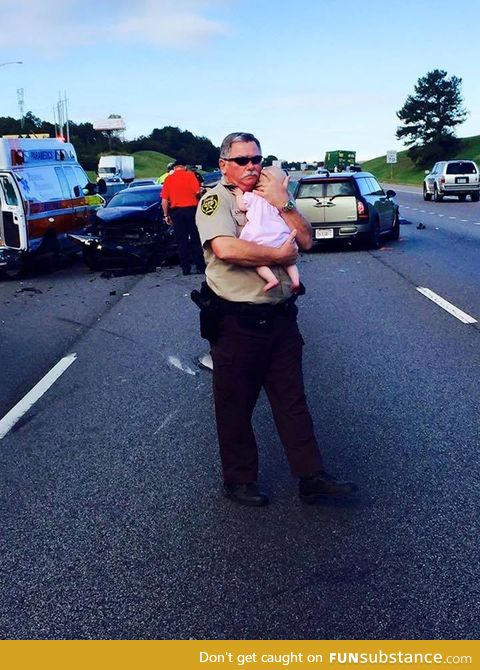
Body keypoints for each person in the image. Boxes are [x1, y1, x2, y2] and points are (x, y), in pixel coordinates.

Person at [194, 132, 357, 507]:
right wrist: (280, 254)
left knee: (292, 400)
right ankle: (238, 480)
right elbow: (225, 247)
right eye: (242, 160)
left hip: (282, 318)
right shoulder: (215, 200)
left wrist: (284, 204)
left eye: (256, 159)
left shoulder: (274, 196)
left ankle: (311, 476)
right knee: (235, 405)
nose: (252, 166)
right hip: (238, 322)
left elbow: (307, 239)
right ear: (224, 165)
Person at [235, 165, 300, 293]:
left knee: (258, 262)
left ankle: (271, 279)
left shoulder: (252, 196)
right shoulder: (279, 197)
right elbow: (284, 190)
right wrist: (285, 183)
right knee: (289, 261)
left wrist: (238, 194)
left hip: (258, 236)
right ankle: (296, 281)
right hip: (279, 235)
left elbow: (242, 207)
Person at [161, 160, 206, 276]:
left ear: (174, 167)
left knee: (182, 241)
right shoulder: (190, 176)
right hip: (192, 211)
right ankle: (200, 266)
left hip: (177, 213)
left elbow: (164, 200)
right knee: (195, 239)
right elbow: (198, 193)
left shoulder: (168, 179)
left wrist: (166, 215)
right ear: (185, 167)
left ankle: (186, 269)